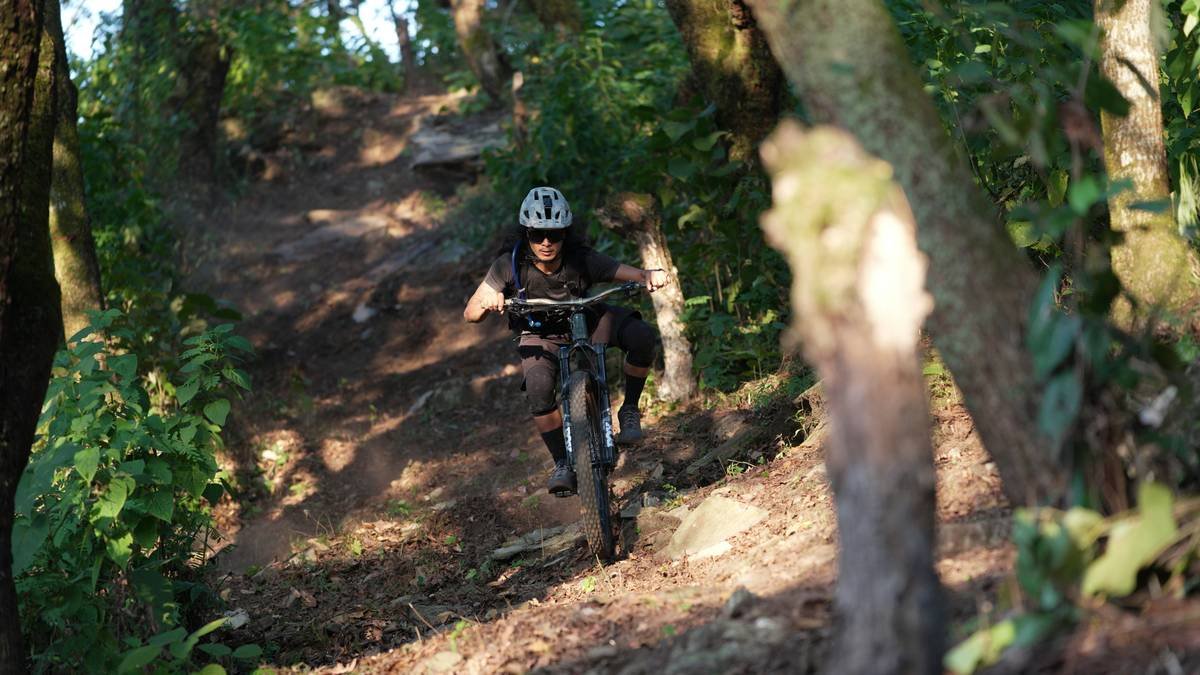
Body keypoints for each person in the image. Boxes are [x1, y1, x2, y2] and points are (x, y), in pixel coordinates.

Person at [464, 187, 669, 494]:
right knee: (538, 388)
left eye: (555, 234)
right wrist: (488, 300)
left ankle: (629, 409)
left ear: (565, 234)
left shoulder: (581, 259)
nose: (546, 242)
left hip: (584, 320)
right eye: (538, 234)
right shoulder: (510, 264)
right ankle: (562, 462)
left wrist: (650, 275)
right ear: (526, 233)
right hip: (539, 334)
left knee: (641, 335)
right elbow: (470, 313)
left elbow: (635, 274)